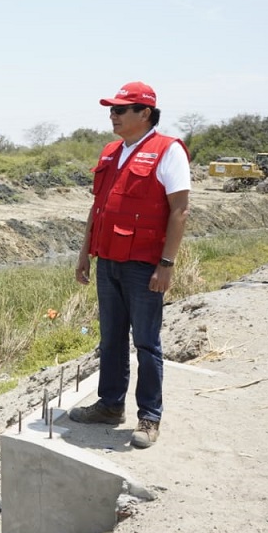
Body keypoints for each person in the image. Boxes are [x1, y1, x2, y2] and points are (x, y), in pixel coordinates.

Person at [69, 81, 191, 449]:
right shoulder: (111, 152)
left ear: (145, 113)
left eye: (121, 110)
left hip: (143, 265)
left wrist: (166, 264)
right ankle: (109, 405)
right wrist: (84, 253)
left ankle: (149, 417)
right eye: (111, 110)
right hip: (108, 261)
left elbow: (180, 210)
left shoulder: (168, 151)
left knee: (147, 343)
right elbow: (98, 207)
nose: (113, 116)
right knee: (110, 339)